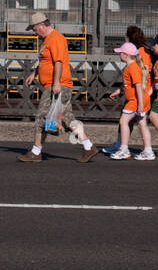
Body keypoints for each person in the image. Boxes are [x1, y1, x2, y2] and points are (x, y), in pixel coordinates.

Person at [18, 11, 99, 164]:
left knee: (41, 116)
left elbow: (59, 62)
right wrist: (34, 73)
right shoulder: (47, 40)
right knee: (67, 119)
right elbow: (46, 62)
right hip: (57, 84)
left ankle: (36, 151)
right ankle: (89, 147)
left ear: (42, 25)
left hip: (57, 85)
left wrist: (56, 83)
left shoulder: (55, 38)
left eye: (34, 29)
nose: (34, 33)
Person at [102, 24, 153, 155]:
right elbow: (132, 81)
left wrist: (141, 101)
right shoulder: (136, 60)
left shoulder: (133, 64)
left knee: (124, 121)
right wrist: (120, 90)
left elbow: (138, 82)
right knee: (141, 124)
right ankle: (147, 150)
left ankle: (123, 148)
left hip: (137, 97)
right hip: (139, 96)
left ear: (126, 55)